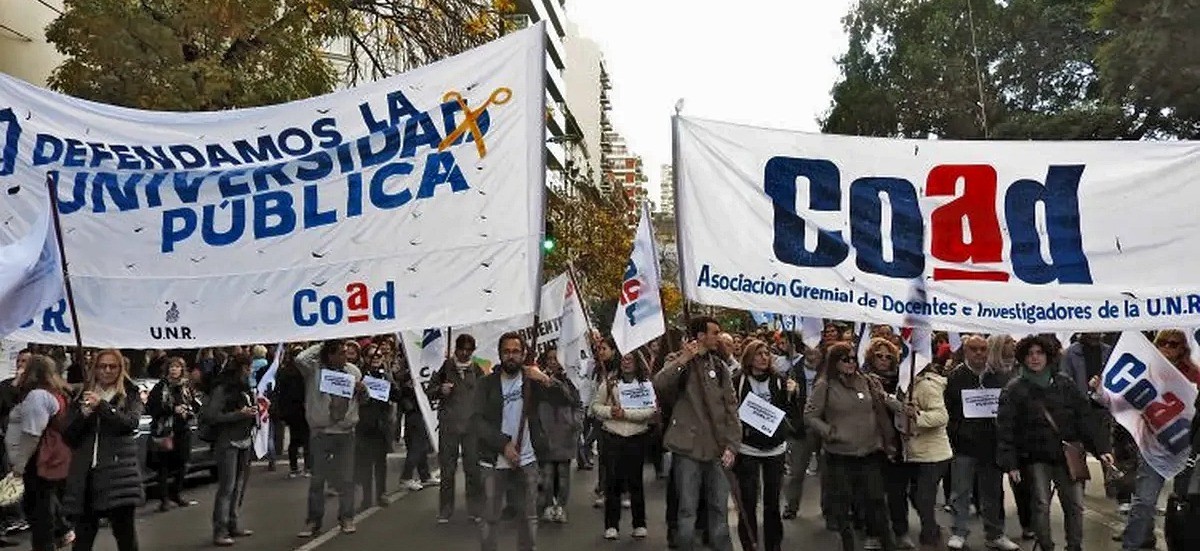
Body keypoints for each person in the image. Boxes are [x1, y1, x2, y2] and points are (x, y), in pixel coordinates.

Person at [997, 335, 1113, 551]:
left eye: (1039, 353)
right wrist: (1010, 463)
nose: (1035, 358)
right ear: (1023, 358)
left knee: (1075, 505)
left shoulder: (1064, 383)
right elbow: (1006, 428)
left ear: (1048, 356)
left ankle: (1074, 546)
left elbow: (1084, 417)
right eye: (1030, 354)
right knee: (1041, 505)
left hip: (1067, 454)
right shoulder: (1014, 389)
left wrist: (1102, 449)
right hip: (1034, 456)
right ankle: (1046, 545)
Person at [473, 332, 574, 551]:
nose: (511, 356)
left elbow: (566, 399)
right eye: (506, 351)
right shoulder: (486, 384)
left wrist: (545, 379)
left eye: (516, 351)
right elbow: (477, 421)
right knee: (490, 517)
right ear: (500, 354)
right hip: (493, 462)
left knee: (528, 518)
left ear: (523, 353)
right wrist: (503, 444)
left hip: (527, 460)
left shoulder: (532, 383)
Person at [1105, 330, 1199, 550]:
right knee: (1144, 501)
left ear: (1182, 348)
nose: (1167, 347)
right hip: (1154, 446)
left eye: (1173, 344)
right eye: (1162, 343)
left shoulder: (1194, 375)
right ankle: (1134, 543)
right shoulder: (1145, 371)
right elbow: (1123, 402)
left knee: (1184, 501)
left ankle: (1182, 541)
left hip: (1186, 447)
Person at [653, 316, 741, 551]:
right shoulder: (678, 362)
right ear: (701, 336)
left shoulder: (720, 367)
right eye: (714, 332)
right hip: (688, 449)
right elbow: (659, 384)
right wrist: (684, 359)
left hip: (717, 447)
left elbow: (732, 408)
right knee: (687, 508)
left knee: (719, 507)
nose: (718, 337)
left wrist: (733, 445)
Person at [805, 342, 898, 551]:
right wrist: (829, 432)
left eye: (853, 359)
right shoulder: (825, 385)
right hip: (840, 455)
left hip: (868, 451)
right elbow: (810, 415)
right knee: (843, 504)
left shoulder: (867, 381)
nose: (850, 363)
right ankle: (848, 545)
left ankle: (888, 543)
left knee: (876, 501)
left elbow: (884, 400)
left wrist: (904, 408)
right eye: (845, 359)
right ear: (835, 362)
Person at [944, 335, 1021, 550]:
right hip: (964, 446)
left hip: (991, 444)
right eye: (974, 349)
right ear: (966, 351)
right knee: (961, 492)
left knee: (993, 492)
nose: (979, 353)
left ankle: (995, 534)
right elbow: (948, 410)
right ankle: (959, 532)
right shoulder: (956, 376)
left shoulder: (998, 376)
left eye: (982, 349)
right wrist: (957, 433)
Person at [62, 349, 144, 551]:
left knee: (124, 535)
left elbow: (129, 423)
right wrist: (83, 415)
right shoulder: (83, 393)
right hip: (87, 476)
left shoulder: (129, 393)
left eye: (112, 366)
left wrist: (102, 407)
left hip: (118, 475)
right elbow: (69, 435)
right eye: (102, 366)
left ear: (120, 369)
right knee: (82, 538)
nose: (107, 370)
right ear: (94, 369)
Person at [731, 339, 800, 551]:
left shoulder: (779, 380)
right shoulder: (738, 380)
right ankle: (749, 543)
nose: (764, 357)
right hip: (747, 448)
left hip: (775, 449)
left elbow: (791, 414)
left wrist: (793, 394)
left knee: (772, 500)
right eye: (759, 353)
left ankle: (773, 544)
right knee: (748, 500)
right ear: (749, 357)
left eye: (766, 353)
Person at [295, 341, 366, 538]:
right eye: (341, 353)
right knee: (317, 480)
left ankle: (347, 517)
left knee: (346, 478)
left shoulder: (353, 371)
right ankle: (313, 521)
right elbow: (300, 358)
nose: (346, 356)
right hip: (321, 432)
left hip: (345, 433)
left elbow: (364, 400)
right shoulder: (314, 370)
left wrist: (362, 391)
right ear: (330, 355)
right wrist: (325, 339)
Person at [7, 354, 72, 551]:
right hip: (51, 456)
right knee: (44, 505)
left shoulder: (38, 396)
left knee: (39, 513)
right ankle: (61, 532)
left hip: (39, 459)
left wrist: (19, 466)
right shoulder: (55, 392)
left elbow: (31, 434)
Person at [590, 350, 655, 540]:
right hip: (613, 437)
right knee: (612, 482)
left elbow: (649, 410)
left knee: (635, 482)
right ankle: (611, 525)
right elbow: (595, 406)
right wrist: (611, 411)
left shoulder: (645, 385)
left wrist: (626, 414)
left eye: (630, 359)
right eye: (624, 360)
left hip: (636, 437)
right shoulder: (610, 383)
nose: (626, 363)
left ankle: (639, 523)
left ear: (637, 362)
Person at [429, 334, 485, 524]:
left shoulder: (477, 370)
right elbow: (430, 391)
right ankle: (445, 510)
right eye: (462, 349)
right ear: (455, 349)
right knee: (447, 470)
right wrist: (440, 390)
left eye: (469, 350)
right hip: (449, 426)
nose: (465, 353)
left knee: (473, 470)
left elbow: (486, 395)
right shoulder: (445, 368)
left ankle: (475, 509)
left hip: (471, 428)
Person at [205, 354, 258, 546]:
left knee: (238, 485)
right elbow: (212, 415)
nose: (249, 372)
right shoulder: (223, 389)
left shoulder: (244, 389)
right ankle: (220, 529)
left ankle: (233, 523)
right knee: (227, 487)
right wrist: (239, 414)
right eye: (246, 368)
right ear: (239, 369)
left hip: (244, 438)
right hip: (228, 441)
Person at [146, 356, 201, 512]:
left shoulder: (186, 387)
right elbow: (152, 408)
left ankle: (176, 493)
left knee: (183, 463)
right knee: (164, 466)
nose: (174, 370)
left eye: (177, 367)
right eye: (171, 367)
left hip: (182, 429)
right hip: (164, 431)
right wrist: (171, 410)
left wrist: (188, 410)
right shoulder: (160, 387)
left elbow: (195, 404)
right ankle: (164, 499)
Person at [534, 347, 580, 525]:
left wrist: (575, 423)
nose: (553, 362)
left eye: (556, 358)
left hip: (564, 434)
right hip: (546, 433)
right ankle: (547, 505)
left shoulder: (567, 381)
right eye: (550, 358)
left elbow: (574, 401)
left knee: (562, 474)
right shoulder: (537, 382)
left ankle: (560, 506)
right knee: (546, 473)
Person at [354, 342, 400, 511]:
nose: (375, 359)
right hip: (364, 424)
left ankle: (381, 493)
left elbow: (396, 395)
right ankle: (366, 497)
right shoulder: (359, 375)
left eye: (379, 356)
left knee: (381, 462)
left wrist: (391, 383)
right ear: (365, 358)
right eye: (371, 356)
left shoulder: (385, 375)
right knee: (365, 463)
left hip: (382, 424)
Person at [783, 345, 821, 521]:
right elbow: (783, 403)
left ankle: (830, 509)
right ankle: (791, 505)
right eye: (808, 346)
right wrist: (789, 393)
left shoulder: (829, 371)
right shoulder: (792, 371)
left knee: (829, 473)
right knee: (796, 472)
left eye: (816, 346)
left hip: (824, 427)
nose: (812, 350)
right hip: (800, 429)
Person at [272, 346, 310, 478]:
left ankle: (294, 468)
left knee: (295, 440)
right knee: (306, 440)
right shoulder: (305, 372)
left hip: (292, 410)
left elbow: (279, 392)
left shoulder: (284, 371)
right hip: (302, 409)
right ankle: (307, 467)